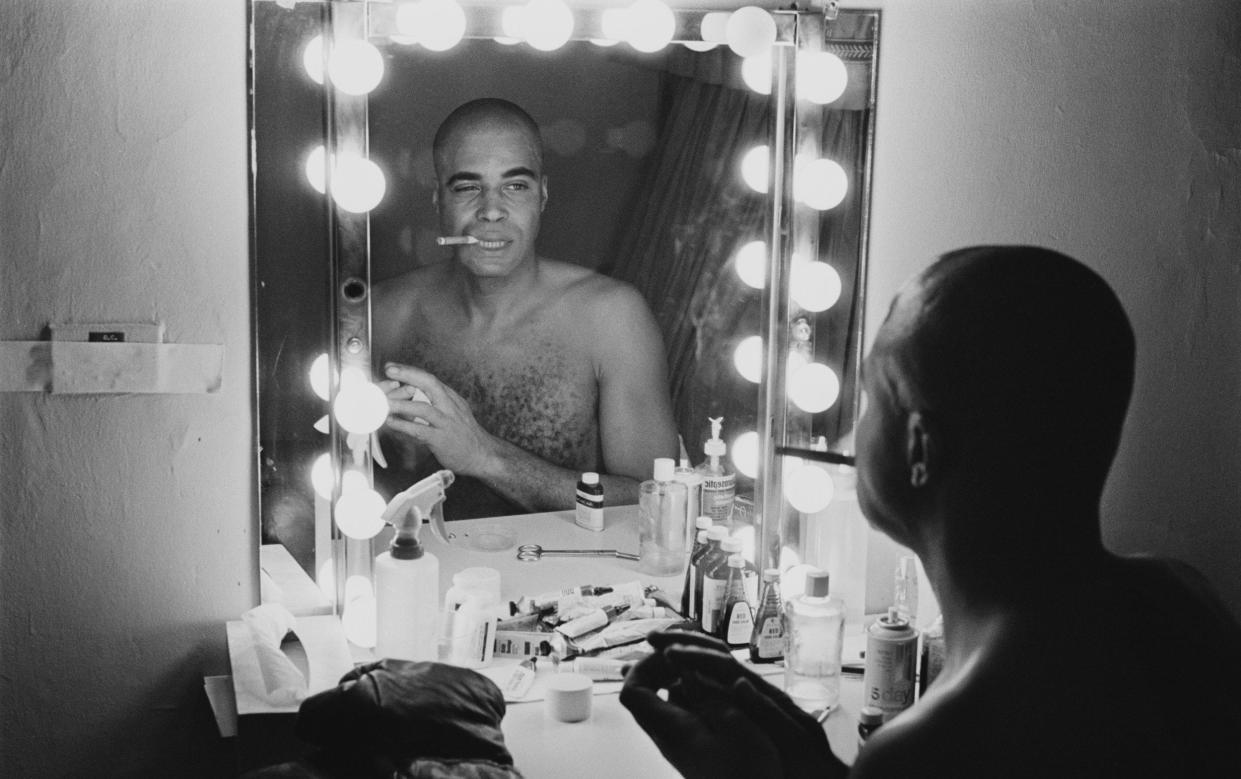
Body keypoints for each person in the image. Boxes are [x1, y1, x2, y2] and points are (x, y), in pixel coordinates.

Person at [620, 245, 1241, 777]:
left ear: (919, 447)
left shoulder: (935, 748)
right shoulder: (1181, 604)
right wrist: (812, 764)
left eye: (868, 398)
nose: (850, 434)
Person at [373, 98, 679, 519]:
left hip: (573, 582)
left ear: (543, 196)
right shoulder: (385, 313)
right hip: (416, 578)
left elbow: (658, 502)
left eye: (515, 187)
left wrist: (483, 456)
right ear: (437, 201)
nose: (492, 211)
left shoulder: (612, 318)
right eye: (467, 188)